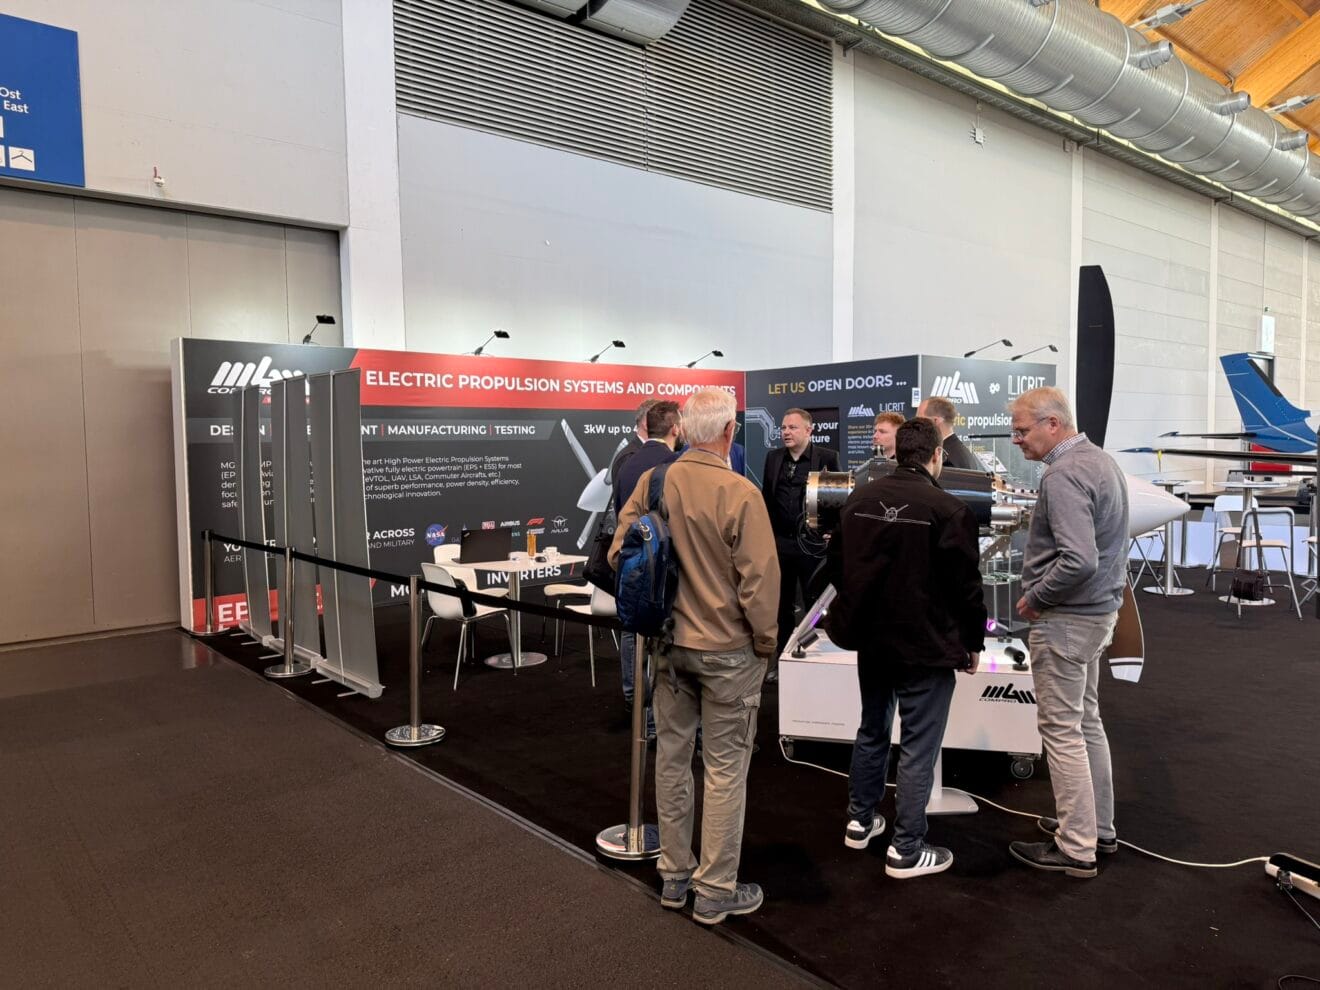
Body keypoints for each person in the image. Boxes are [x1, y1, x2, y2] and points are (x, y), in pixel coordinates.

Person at [610, 387, 779, 925]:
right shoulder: (741, 493)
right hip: (729, 652)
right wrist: (766, 645)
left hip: (667, 646)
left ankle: (674, 875)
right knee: (725, 770)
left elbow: (618, 554)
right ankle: (714, 891)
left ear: (683, 430)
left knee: (672, 760)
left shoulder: (654, 482)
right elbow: (760, 585)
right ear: (730, 432)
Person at [824, 418, 986, 878]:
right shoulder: (951, 510)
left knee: (872, 730)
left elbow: (836, 568)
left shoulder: (858, 501)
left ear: (897, 451)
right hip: (926, 648)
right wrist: (973, 642)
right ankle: (906, 849)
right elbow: (967, 589)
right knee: (918, 745)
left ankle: (859, 822)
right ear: (937, 456)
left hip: (873, 642)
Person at [1007, 387, 1129, 879]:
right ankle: (1097, 828)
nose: (1016, 439)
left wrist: (1037, 597)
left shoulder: (1063, 474)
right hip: (1097, 616)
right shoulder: (1101, 461)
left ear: (1052, 424)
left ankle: (1077, 846)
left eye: (1021, 430)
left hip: (1066, 621)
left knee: (1061, 730)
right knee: (1086, 723)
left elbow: (1079, 559)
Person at [612, 401, 683, 740]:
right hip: (663, 573)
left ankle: (635, 700)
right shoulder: (674, 466)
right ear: (675, 428)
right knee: (663, 646)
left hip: (632, 569)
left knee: (633, 635)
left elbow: (621, 514)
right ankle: (655, 720)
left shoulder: (625, 461)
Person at [761, 408, 839, 672]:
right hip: (780, 545)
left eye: (792, 427)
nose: (786, 432)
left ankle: (815, 659)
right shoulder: (773, 458)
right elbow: (767, 499)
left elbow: (839, 500)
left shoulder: (827, 458)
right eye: (783, 428)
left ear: (809, 430)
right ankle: (781, 660)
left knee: (814, 604)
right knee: (781, 606)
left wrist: (832, 532)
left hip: (812, 546)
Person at [916, 396, 982, 471]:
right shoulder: (960, 452)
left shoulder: (946, 459)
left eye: (919, 420)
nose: (915, 424)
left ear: (935, 421)